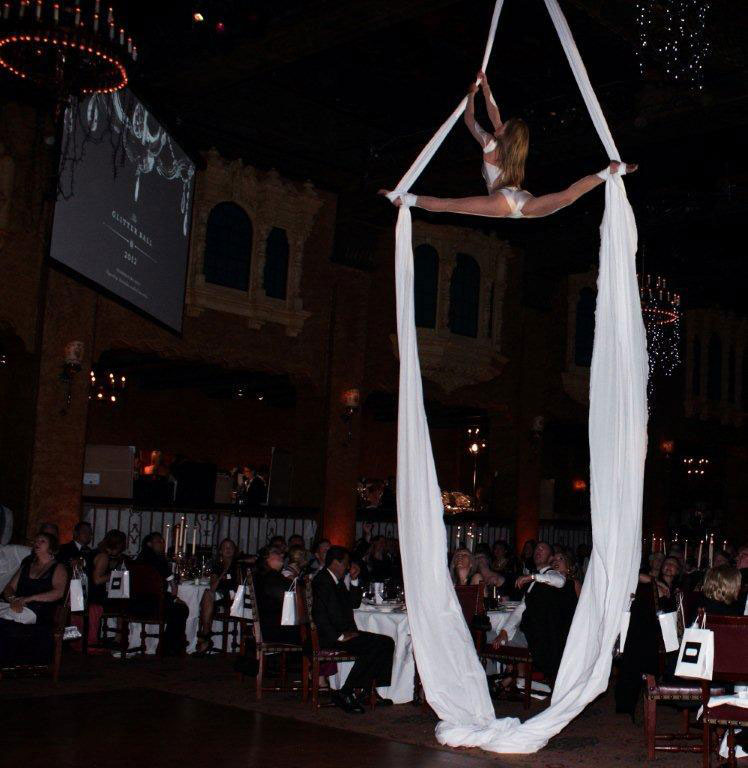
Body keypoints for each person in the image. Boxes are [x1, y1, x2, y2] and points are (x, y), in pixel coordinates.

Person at [380, 70, 637, 218]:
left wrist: (471, 96)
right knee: (566, 198)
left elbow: (469, 120)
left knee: (450, 205)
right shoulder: (509, 149)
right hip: (521, 199)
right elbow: (494, 113)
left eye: (504, 125)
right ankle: (609, 172)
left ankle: (404, 199)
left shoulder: (491, 144)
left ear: (507, 134)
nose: (499, 124)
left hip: (504, 200)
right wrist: (485, 86)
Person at [312, 546, 394, 714]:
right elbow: (319, 615)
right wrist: (339, 636)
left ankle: (366, 691)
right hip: (330, 636)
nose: (348, 567)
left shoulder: (336, 580)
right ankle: (346, 691)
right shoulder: (322, 581)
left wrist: (355, 580)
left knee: (386, 642)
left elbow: (353, 603)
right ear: (336, 563)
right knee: (373, 646)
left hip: (343, 632)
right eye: (346, 564)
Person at [491, 542, 573, 690]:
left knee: (491, 636)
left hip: (541, 639)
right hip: (530, 635)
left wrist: (532, 577)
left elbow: (560, 581)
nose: (537, 551)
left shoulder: (552, 574)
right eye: (536, 549)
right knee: (492, 635)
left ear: (551, 558)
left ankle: (516, 679)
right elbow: (521, 608)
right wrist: (504, 632)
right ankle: (516, 678)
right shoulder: (534, 580)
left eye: (542, 548)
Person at [0, 532, 69, 665]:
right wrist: (14, 599)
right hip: (18, 605)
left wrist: (29, 599)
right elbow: (9, 588)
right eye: (36, 541)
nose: (37, 543)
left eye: (42, 541)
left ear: (51, 547)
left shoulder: (58, 567)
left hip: (39, 611)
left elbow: (59, 592)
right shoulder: (27, 566)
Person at [135, 532, 189, 656]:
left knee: (176, 608)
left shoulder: (139, 559)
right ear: (149, 544)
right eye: (159, 541)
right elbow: (172, 584)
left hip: (136, 603)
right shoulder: (157, 560)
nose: (162, 544)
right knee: (181, 609)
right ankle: (170, 646)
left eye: (163, 541)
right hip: (153, 604)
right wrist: (174, 597)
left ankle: (169, 644)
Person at [195, 538, 242, 655]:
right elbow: (213, 587)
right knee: (207, 594)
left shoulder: (239, 564)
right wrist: (222, 575)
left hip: (235, 597)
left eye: (230, 547)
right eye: (225, 547)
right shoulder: (217, 565)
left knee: (207, 600)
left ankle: (205, 638)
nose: (228, 549)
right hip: (221, 597)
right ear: (220, 551)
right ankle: (206, 635)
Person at [253, 547, 300, 645]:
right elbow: (288, 596)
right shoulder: (270, 577)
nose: (282, 555)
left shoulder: (262, 575)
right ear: (266, 558)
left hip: (268, 626)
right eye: (276, 553)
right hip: (274, 629)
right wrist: (294, 582)